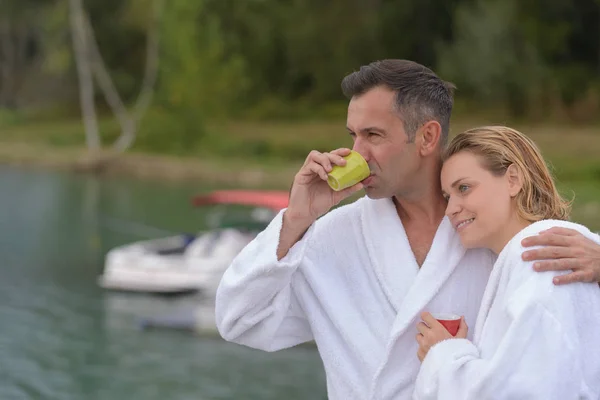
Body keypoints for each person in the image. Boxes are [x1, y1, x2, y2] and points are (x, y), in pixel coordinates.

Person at [215, 59, 600, 399]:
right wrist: (296, 219)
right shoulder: (333, 236)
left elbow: (566, 350)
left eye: (373, 135)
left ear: (427, 137)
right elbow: (239, 321)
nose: (355, 154)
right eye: (353, 135)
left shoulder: (492, 234)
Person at [414, 126, 600, 399]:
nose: (451, 208)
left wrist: (444, 354)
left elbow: (526, 391)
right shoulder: (537, 253)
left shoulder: (542, 253)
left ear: (512, 179)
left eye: (464, 188)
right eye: (447, 197)